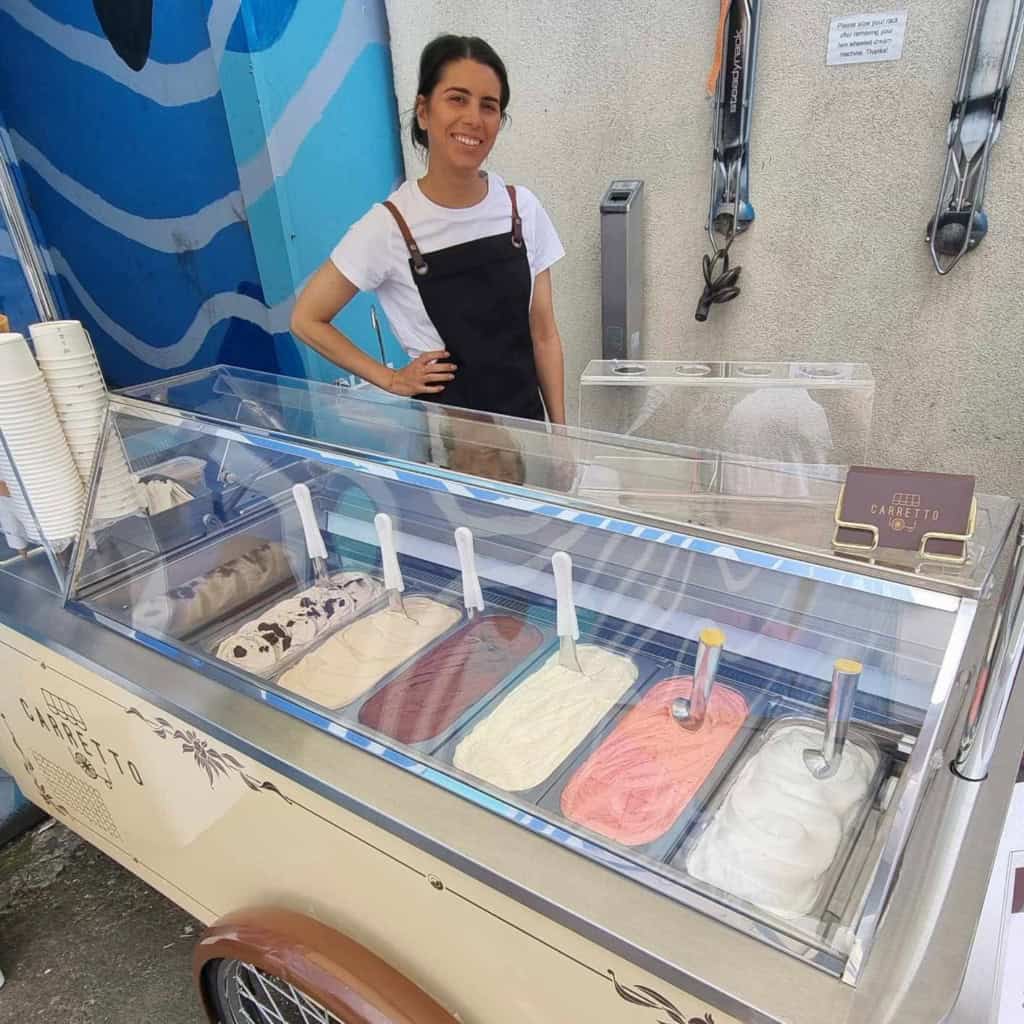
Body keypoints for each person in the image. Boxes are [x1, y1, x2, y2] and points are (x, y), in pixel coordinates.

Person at [290, 34, 567, 424]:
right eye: (457, 98)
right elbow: (306, 318)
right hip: (449, 445)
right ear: (423, 111)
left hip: (527, 434)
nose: (474, 118)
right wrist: (391, 379)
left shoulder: (521, 209)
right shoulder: (390, 226)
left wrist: (561, 438)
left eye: (489, 106)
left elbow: (544, 335)